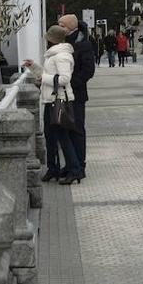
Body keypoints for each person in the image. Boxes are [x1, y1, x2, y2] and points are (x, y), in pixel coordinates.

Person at [23, 25, 83, 185]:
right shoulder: (54, 55)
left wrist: (44, 79)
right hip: (51, 100)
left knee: (63, 137)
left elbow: (64, 78)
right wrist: (34, 67)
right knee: (50, 136)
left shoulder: (62, 55)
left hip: (59, 100)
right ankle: (53, 168)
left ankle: (74, 170)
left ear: (53, 40)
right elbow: (49, 74)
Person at [59, 14, 95, 175]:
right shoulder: (61, 43)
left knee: (77, 129)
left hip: (77, 95)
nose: (60, 28)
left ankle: (80, 165)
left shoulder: (83, 44)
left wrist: (71, 83)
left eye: (62, 25)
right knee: (64, 130)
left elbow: (88, 70)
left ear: (71, 27)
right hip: (62, 94)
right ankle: (70, 163)